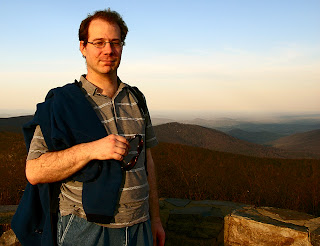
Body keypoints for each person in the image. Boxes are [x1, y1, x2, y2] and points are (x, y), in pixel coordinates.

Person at [11, 9, 165, 246]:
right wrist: (91, 150)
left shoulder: (136, 98)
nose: (108, 50)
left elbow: (148, 161)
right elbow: (34, 171)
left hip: (139, 227)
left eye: (115, 42)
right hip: (86, 230)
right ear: (83, 47)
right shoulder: (62, 103)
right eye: (99, 42)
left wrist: (155, 220)